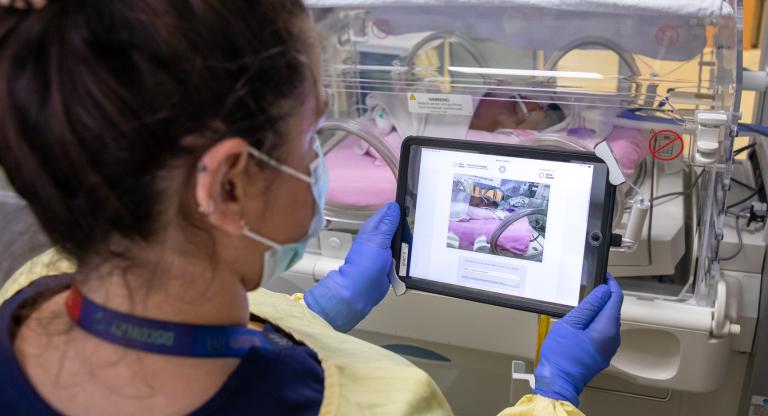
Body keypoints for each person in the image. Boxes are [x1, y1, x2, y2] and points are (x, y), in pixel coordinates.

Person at [0, 1, 623, 415]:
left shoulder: (26, 292)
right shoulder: (379, 403)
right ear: (229, 187)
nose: (325, 157)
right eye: (314, 133)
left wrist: (319, 312)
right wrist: (552, 394)